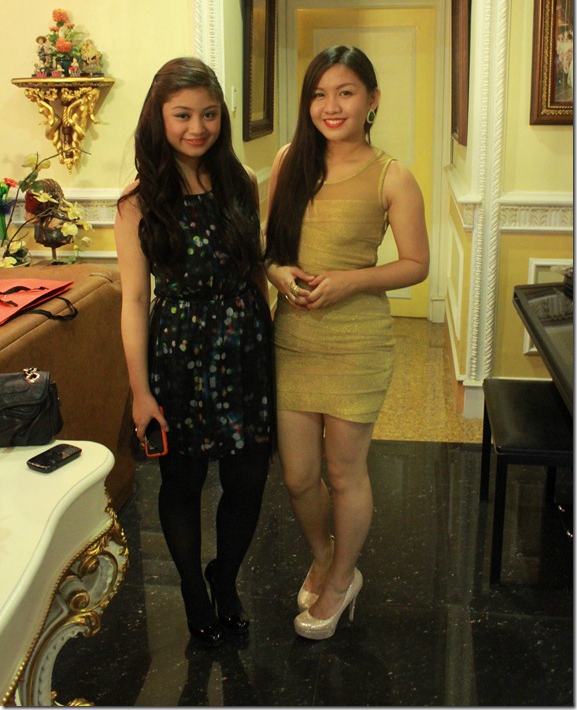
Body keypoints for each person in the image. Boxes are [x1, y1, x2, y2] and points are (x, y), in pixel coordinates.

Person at [264, 45, 429, 640]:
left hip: (358, 340)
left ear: (372, 100)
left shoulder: (392, 176)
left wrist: (348, 281)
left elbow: (416, 264)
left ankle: (341, 579)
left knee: (343, 472)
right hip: (294, 334)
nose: (330, 107)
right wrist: (278, 273)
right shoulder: (289, 160)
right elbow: (268, 242)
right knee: (298, 475)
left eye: (346, 92)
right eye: (319, 94)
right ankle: (324, 553)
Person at [115, 57, 274, 649]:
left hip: (245, 347)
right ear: (159, 118)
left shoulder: (241, 182)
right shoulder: (139, 202)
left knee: (248, 479)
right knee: (181, 483)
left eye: (209, 114)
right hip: (178, 352)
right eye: (182, 115)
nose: (197, 128)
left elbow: (254, 271)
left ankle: (223, 577)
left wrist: (268, 349)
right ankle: (190, 587)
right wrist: (140, 392)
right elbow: (135, 300)